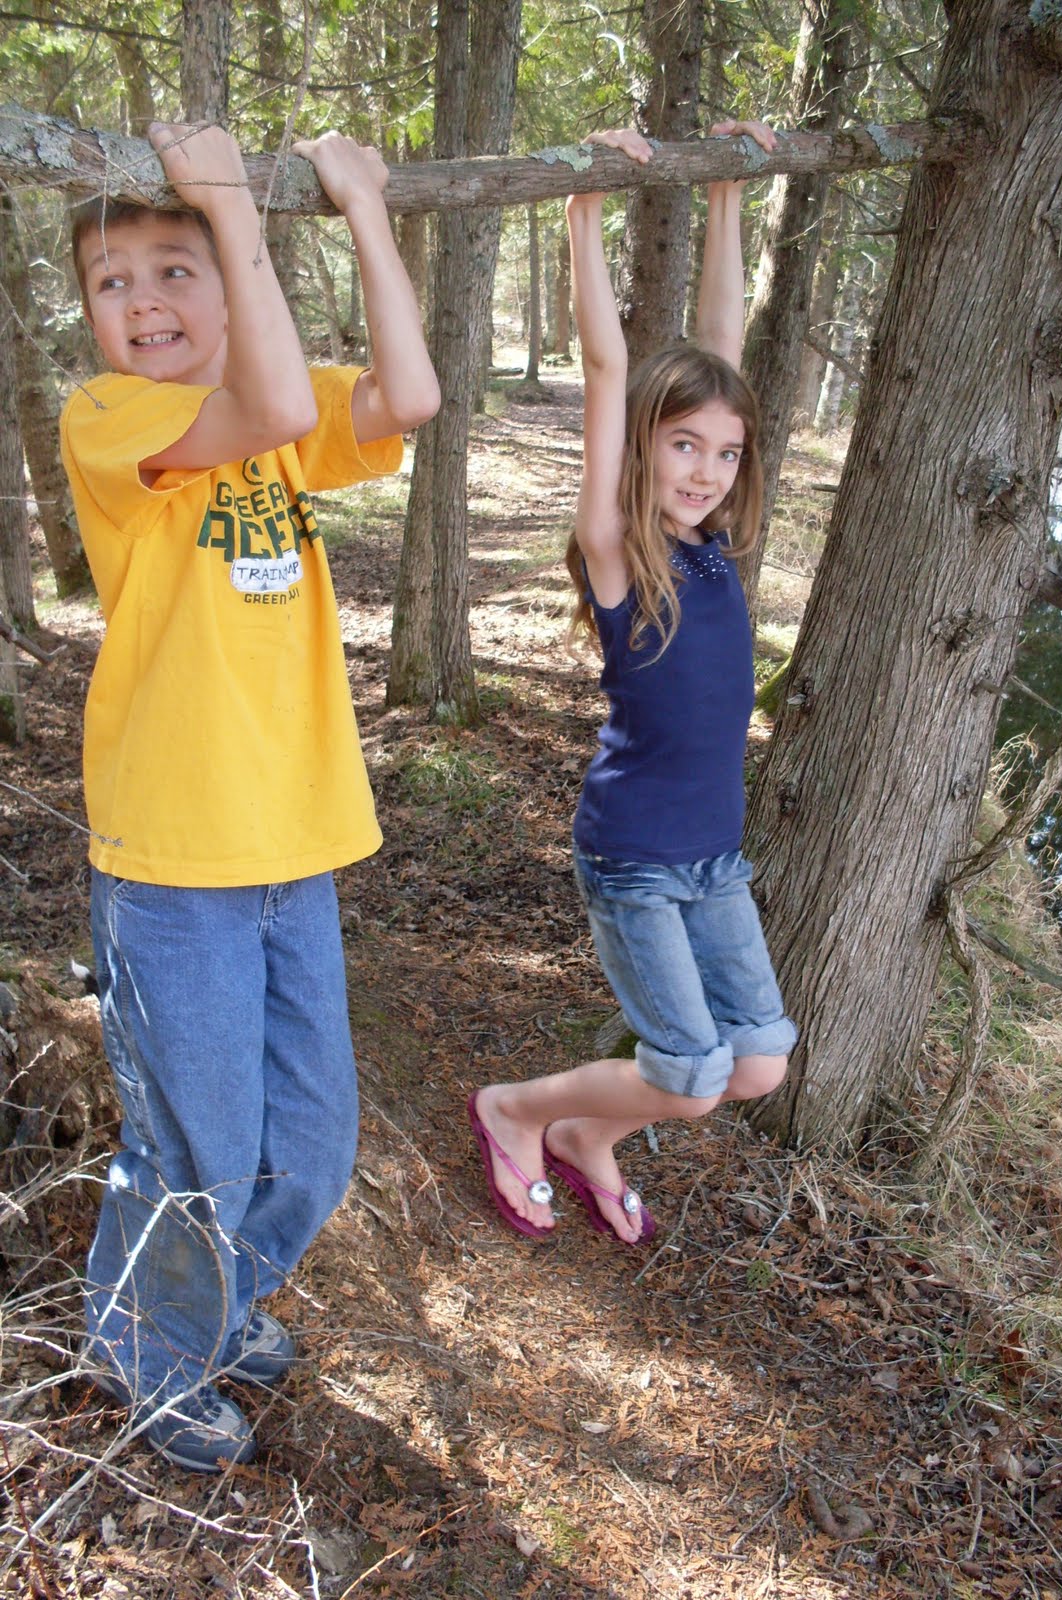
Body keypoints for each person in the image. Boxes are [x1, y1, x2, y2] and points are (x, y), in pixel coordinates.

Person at [60, 121, 439, 1471]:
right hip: (171, 865)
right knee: (198, 1147)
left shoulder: (280, 412)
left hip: (290, 848)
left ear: (233, 290)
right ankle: (147, 1347)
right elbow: (266, 408)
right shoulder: (114, 418)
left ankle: (210, 1305)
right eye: (113, 281)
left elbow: (409, 394)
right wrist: (229, 205)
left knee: (314, 1147)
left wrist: (366, 206)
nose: (144, 301)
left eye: (177, 268)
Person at [469, 122, 797, 1246]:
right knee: (691, 1076)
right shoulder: (620, 552)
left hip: (715, 859)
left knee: (758, 1062)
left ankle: (585, 1137)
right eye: (682, 446)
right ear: (644, 447)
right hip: (636, 858)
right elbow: (611, 368)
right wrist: (584, 207)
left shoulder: (719, 545)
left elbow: (722, 342)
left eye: (726, 451)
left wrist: (726, 196)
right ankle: (519, 1111)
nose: (706, 471)